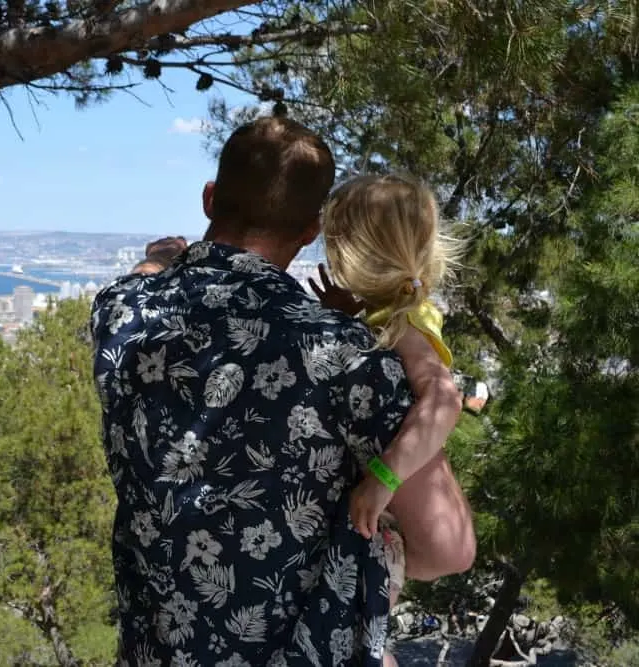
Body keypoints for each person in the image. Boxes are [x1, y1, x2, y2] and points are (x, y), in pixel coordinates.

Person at [90, 117, 475, 666]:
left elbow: (139, 281)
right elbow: (447, 549)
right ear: (310, 230)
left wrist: (158, 263)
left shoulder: (121, 311)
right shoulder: (351, 359)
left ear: (209, 198)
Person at [308, 173, 466, 666]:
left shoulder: (403, 323)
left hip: (397, 519)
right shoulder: (397, 312)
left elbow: (444, 401)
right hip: (406, 524)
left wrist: (383, 476)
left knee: (366, 644)